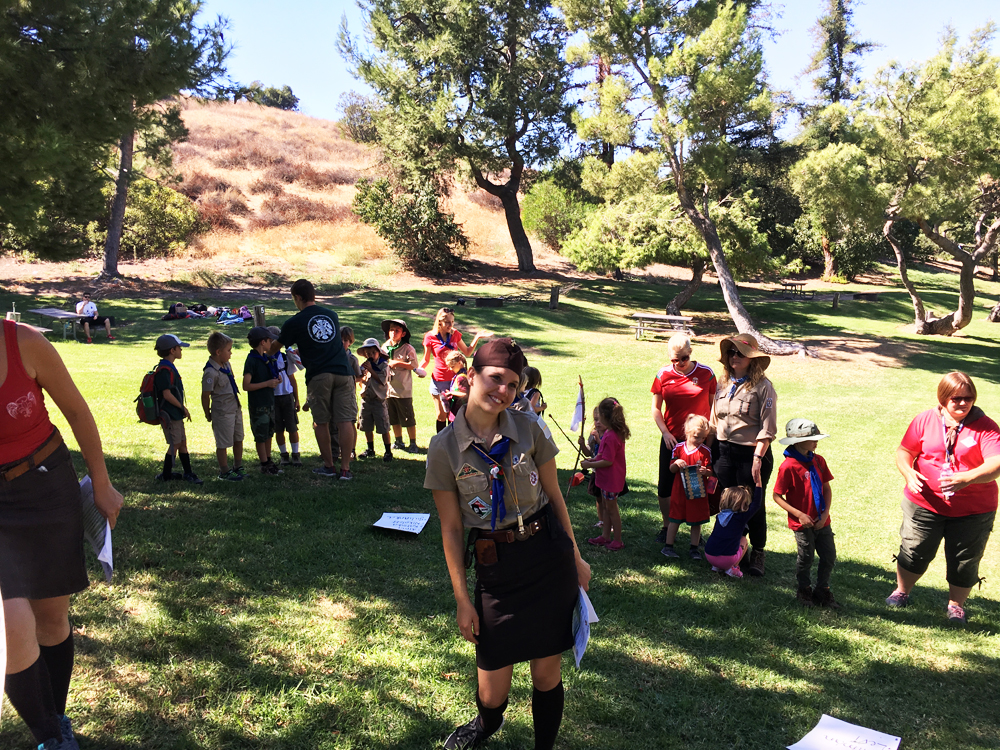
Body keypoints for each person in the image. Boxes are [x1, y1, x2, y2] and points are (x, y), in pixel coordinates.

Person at [424, 338, 591, 750]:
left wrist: (576, 556)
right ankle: (485, 724)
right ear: (470, 376)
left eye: (513, 384)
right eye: (496, 378)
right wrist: (463, 600)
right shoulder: (444, 448)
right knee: (492, 692)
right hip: (496, 567)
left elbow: (554, 496)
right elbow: (451, 529)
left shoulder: (529, 427)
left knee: (546, 675)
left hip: (546, 557)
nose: (503, 390)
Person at [0, 318, 123, 750]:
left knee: (51, 619)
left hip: (45, 486)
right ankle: (52, 739)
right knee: (11, 623)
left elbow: (76, 410)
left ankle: (56, 717)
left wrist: (102, 484)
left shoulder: (24, 342)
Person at [887, 371, 1000, 624]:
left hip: (974, 509)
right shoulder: (925, 420)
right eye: (956, 398)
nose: (963, 403)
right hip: (924, 503)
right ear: (943, 398)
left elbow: (996, 464)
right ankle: (901, 591)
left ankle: (956, 605)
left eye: (968, 398)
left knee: (964, 560)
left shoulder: (986, 427)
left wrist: (967, 478)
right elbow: (904, 451)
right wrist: (908, 472)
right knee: (914, 550)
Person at [273, 279, 357, 480]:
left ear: (298, 297)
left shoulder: (295, 321)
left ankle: (329, 465)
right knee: (345, 420)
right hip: (344, 372)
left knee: (321, 421)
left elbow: (276, 346)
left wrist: (267, 349)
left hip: (319, 374)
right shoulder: (331, 315)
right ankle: (346, 468)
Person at [711, 333, 777, 577]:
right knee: (729, 502)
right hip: (723, 452)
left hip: (752, 453)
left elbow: (768, 428)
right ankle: (735, 549)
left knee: (753, 504)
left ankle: (758, 551)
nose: (734, 356)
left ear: (752, 358)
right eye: (731, 352)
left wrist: (758, 458)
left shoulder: (763, 387)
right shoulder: (722, 384)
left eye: (740, 353)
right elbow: (714, 421)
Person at [651, 334, 717, 544]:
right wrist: (665, 432)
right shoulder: (663, 374)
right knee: (666, 486)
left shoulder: (706, 374)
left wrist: (708, 438)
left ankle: (695, 533)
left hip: (699, 441)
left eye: (684, 358)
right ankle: (666, 526)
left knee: (699, 486)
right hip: (673, 440)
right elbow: (656, 409)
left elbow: (713, 408)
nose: (679, 363)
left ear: (691, 352)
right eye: (674, 359)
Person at [773, 419, 838, 608]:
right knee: (806, 557)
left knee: (829, 556)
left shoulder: (818, 461)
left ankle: (822, 589)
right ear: (798, 441)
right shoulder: (788, 466)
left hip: (822, 521)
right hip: (802, 524)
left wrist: (825, 514)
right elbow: (777, 496)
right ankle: (804, 590)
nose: (816, 442)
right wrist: (799, 514)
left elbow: (827, 488)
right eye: (812, 439)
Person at [419, 307, 490, 434]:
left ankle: (453, 440)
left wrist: (477, 337)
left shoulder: (455, 334)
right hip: (438, 381)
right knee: (441, 415)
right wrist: (419, 369)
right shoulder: (430, 337)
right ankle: (441, 441)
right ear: (439, 322)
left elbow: (467, 352)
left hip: (455, 382)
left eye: (452, 322)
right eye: (447, 322)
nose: (450, 325)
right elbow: (426, 359)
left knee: (453, 415)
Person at [662, 414, 714, 560]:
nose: (699, 440)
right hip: (679, 491)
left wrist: (705, 471)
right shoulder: (679, 448)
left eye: (703, 438)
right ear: (687, 432)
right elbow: (671, 469)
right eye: (696, 437)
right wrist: (676, 463)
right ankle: (668, 546)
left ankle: (694, 548)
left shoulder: (705, 451)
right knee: (675, 518)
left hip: (697, 491)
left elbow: (711, 472)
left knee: (696, 520)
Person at [153, 333, 202, 484]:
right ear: (172, 350)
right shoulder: (164, 369)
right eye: (179, 348)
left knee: (182, 443)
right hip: (170, 414)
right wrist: (182, 407)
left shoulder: (169, 367)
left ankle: (188, 472)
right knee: (175, 444)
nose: (181, 350)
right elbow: (166, 394)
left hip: (176, 413)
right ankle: (166, 474)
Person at [581, 397, 629, 551]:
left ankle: (618, 540)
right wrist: (592, 459)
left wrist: (590, 464)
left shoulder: (611, 436)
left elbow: (608, 461)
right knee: (607, 509)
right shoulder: (609, 433)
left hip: (611, 479)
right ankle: (605, 536)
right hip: (606, 479)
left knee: (612, 510)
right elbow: (602, 455)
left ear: (605, 416)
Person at [201, 331, 246, 481]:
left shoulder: (226, 365)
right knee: (223, 442)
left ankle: (238, 466)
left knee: (238, 437)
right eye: (228, 350)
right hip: (222, 412)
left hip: (235, 407)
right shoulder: (210, 372)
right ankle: (224, 470)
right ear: (218, 352)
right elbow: (205, 395)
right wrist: (207, 413)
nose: (231, 353)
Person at [243, 326, 282, 475]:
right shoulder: (252, 360)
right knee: (260, 435)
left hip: (269, 402)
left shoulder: (267, 358)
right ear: (262, 342)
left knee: (269, 433)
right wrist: (267, 384)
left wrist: (276, 379)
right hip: (258, 404)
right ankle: (264, 463)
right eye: (269, 340)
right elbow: (246, 385)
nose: (272, 343)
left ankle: (269, 460)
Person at [705, 486, 762, 578]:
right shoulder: (741, 518)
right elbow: (756, 504)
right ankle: (732, 568)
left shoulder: (720, 516)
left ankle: (717, 567)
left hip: (709, 555)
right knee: (744, 540)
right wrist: (759, 484)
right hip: (727, 560)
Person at [381, 318, 420, 453]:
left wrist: (397, 363)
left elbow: (414, 365)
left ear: (403, 334)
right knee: (393, 417)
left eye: (397, 330)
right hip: (388, 389)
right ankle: (398, 441)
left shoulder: (408, 348)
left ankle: (413, 442)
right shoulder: (385, 347)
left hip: (403, 390)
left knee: (408, 417)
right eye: (391, 330)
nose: (393, 332)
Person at [266, 326, 302, 466]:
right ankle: (284, 455)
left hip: (287, 395)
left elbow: (292, 378)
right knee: (278, 429)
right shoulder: (264, 359)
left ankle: (295, 454)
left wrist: (296, 398)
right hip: (273, 397)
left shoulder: (285, 358)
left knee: (292, 427)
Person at [356, 337, 393, 462]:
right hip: (366, 399)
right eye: (368, 353)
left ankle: (388, 451)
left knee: (383, 427)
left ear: (379, 352)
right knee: (366, 426)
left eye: (373, 352)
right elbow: (360, 379)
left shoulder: (384, 365)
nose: (370, 355)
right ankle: (370, 449)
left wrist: (371, 370)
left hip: (379, 400)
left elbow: (382, 381)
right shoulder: (365, 365)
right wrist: (362, 374)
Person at [441, 350, 470, 422]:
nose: (451, 369)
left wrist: (451, 393)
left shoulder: (461, 377)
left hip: (459, 412)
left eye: (452, 366)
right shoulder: (463, 374)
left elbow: (465, 394)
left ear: (459, 363)